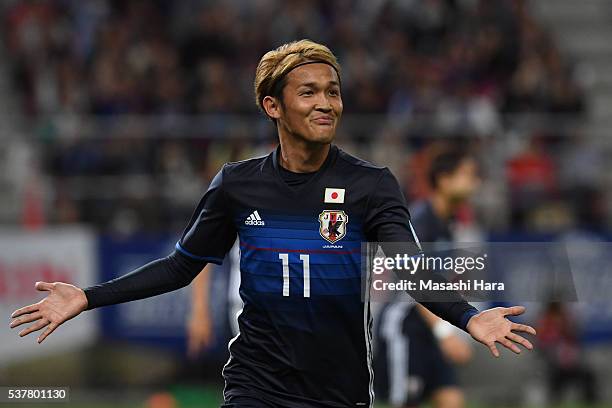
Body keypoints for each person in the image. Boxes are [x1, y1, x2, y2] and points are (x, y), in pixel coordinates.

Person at [10, 40, 535, 408]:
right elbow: (179, 267)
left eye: (332, 91)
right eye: (308, 92)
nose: (326, 103)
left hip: (340, 388)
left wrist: (469, 318)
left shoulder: (373, 185)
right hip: (255, 383)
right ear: (272, 106)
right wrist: (87, 297)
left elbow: (411, 270)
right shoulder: (236, 184)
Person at [375, 148, 481, 408]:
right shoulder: (420, 223)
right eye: (467, 175)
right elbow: (417, 285)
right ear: (444, 180)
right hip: (405, 328)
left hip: (429, 328)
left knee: (452, 400)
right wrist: (445, 332)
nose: (475, 183)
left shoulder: (448, 223)